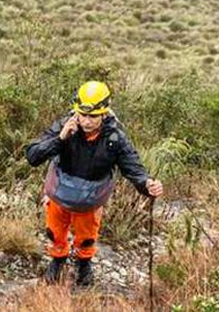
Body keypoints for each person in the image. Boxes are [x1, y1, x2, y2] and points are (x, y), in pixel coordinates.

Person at [25, 81, 163, 286]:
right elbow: (33, 155)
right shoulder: (65, 126)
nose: (87, 121)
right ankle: (58, 259)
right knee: (55, 231)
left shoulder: (115, 138)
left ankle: (84, 263)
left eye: (93, 116)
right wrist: (61, 138)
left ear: (104, 114)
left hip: (91, 198)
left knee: (87, 234)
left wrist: (146, 184)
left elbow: (132, 166)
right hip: (60, 192)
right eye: (83, 115)